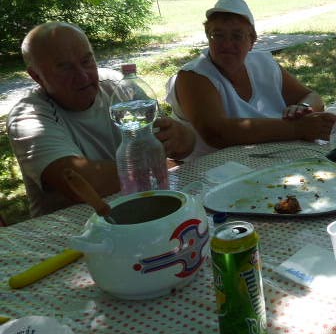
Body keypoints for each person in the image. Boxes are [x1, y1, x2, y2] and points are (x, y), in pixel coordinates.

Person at [7, 22, 195, 217]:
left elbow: (181, 146)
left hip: (143, 206)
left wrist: (181, 137)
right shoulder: (28, 118)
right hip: (70, 226)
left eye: (87, 61)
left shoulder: (118, 86)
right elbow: (82, 183)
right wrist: (155, 163)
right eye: (64, 67)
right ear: (37, 76)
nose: (82, 76)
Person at [166, 0, 336, 157]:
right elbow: (217, 133)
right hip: (213, 171)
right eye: (218, 35)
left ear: (252, 40)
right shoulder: (193, 76)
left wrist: (303, 109)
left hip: (271, 157)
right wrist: (297, 128)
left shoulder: (263, 64)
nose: (227, 44)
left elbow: (312, 97)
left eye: (237, 36)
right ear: (208, 37)